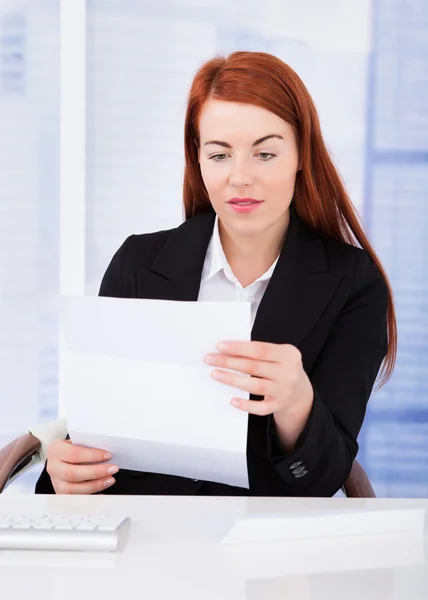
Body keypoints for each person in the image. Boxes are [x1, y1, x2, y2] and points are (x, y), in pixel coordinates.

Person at [35, 51, 397, 497]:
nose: (240, 178)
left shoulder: (353, 284)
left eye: (265, 153)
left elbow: (323, 477)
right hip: (142, 535)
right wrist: (66, 470)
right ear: (198, 158)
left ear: (301, 154)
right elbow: (97, 436)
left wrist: (297, 403)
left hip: (263, 547)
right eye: (220, 154)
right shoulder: (138, 262)